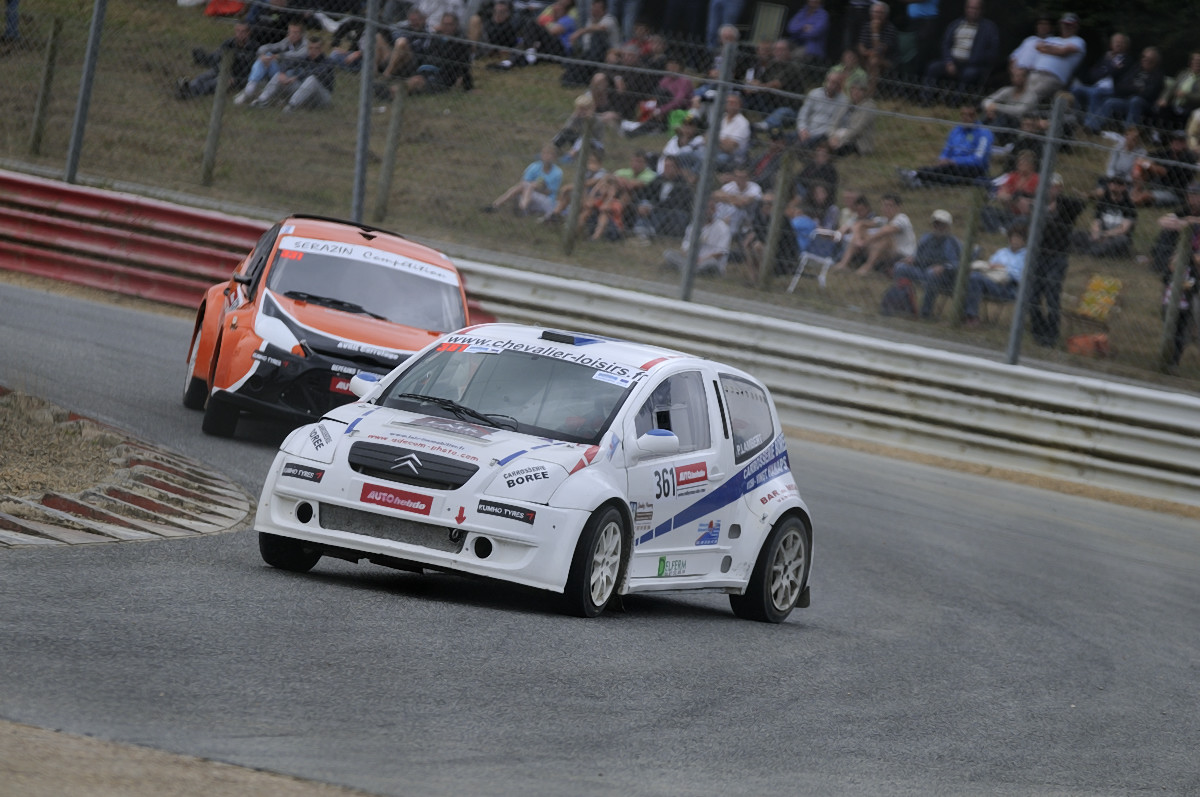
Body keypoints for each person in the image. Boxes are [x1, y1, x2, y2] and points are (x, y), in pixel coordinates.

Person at [1027, 173, 1087, 348]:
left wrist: (1079, 196)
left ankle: (1051, 335)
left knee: (1052, 294)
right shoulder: (1038, 204)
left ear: (1059, 188)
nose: (1049, 189)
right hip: (1038, 255)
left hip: (1057, 256)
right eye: (1047, 186)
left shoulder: (1066, 205)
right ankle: (1038, 332)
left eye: (1053, 186)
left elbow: (1081, 204)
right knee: (1033, 296)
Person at [922, 0, 1000, 107]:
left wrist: (975, 60)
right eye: (970, 8)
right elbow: (945, 44)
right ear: (965, 9)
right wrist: (949, 61)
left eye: (975, 8)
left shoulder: (989, 28)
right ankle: (926, 100)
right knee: (933, 67)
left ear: (981, 10)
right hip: (952, 62)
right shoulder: (956, 24)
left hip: (974, 65)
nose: (972, 11)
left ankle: (955, 104)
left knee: (969, 74)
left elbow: (992, 52)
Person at [890, 209, 963, 318]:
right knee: (900, 267)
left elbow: (957, 264)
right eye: (936, 224)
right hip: (922, 271)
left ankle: (925, 312)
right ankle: (902, 304)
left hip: (944, 278)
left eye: (941, 225)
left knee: (931, 273)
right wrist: (912, 260)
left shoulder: (952, 243)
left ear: (948, 227)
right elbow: (918, 256)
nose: (938, 227)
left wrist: (943, 267)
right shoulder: (926, 238)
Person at [900, 103, 993, 188]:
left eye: (970, 115)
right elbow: (947, 148)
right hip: (950, 165)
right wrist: (943, 158)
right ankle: (919, 181)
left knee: (949, 171)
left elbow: (978, 159)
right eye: (963, 115)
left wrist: (954, 161)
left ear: (977, 116)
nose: (965, 118)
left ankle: (916, 175)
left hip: (972, 168)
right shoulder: (956, 130)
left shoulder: (984, 133)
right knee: (946, 171)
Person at [832, 193, 916, 277]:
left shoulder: (902, 218)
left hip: (902, 255)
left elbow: (886, 231)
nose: (886, 209)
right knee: (861, 232)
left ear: (898, 207)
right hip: (885, 253)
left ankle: (867, 267)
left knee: (885, 238)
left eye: (890, 206)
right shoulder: (883, 220)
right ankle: (843, 264)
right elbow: (859, 224)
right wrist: (858, 240)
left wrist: (866, 241)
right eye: (884, 206)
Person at [1087, 48, 1164, 135]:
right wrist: (1136, 88)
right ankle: (1093, 127)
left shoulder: (1158, 76)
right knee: (1110, 102)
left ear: (1156, 62)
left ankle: (1128, 134)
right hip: (1127, 100)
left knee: (1135, 100)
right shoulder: (1136, 69)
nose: (1145, 60)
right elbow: (1120, 87)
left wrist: (1131, 88)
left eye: (1150, 60)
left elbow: (1148, 94)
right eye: (1143, 57)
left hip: (1144, 105)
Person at [1157, 211, 1200, 367]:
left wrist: (1188, 285)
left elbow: (1196, 279)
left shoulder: (1192, 265)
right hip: (1171, 297)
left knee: (1182, 332)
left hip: (1187, 299)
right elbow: (1167, 274)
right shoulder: (1174, 263)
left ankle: (1174, 361)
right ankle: (1166, 358)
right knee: (1170, 328)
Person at [176, 21, 260, 100]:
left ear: (248, 33)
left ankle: (189, 92)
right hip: (221, 69)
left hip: (234, 76)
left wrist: (236, 81)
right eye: (238, 31)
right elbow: (217, 56)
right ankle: (188, 87)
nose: (240, 34)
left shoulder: (253, 48)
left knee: (213, 83)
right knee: (201, 78)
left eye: (243, 32)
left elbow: (250, 71)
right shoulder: (229, 43)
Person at [250, 34, 336, 111]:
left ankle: (292, 106)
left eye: (316, 48)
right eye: (310, 48)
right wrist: (282, 72)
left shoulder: (328, 61)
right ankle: (262, 100)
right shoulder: (305, 58)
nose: (313, 51)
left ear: (321, 49)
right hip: (304, 94)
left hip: (321, 98)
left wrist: (297, 77)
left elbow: (318, 72)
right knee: (278, 75)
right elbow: (288, 62)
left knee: (312, 79)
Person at [1069, 33, 1132, 131]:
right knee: (1075, 89)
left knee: (1096, 93)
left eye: (1121, 43)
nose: (1118, 45)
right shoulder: (1105, 57)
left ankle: (1090, 125)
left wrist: (1107, 67)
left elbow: (1117, 72)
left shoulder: (1127, 59)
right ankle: (1077, 119)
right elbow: (1093, 74)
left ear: (1126, 45)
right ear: (1111, 44)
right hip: (1096, 86)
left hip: (1112, 90)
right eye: (1116, 42)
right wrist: (1110, 67)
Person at [965, 222, 1028, 323]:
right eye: (1014, 237)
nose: (1015, 241)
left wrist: (1005, 269)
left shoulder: (1026, 256)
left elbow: (1022, 277)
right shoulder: (1001, 252)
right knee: (973, 276)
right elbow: (990, 265)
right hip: (992, 281)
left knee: (975, 279)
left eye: (1019, 238)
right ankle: (969, 315)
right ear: (1009, 238)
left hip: (1008, 288)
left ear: (1024, 241)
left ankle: (971, 316)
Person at [235, 20, 306, 105]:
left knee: (271, 59)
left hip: (294, 77)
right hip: (280, 73)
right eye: (290, 32)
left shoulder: (306, 44)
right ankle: (250, 88)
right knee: (265, 57)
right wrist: (262, 55)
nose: (292, 35)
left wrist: (279, 56)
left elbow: (298, 55)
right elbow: (268, 47)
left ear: (302, 34)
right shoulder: (286, 41)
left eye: (296, 32)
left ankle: (260, 97)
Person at [401, 12, 473, 95]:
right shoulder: (436, 37)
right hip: (425, 71)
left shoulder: (461, 42)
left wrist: (468, 88)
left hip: (442, 77)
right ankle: (392, 93)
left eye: (450, 24)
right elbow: (426, 55)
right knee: (414, 80)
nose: (447, 27)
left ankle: (392, 94)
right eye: (444, 24)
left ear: (456, 25)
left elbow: (464, 65)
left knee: (416, 82)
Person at [483, 143, 564, 217]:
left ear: (554, 157)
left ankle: (519, 207)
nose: (547, 156)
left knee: (529, 186)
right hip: (528, 194)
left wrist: (538, 187)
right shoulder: (534, 166)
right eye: (545, 154)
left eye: (550, 154)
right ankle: (496, 205)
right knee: (524, 186)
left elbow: (550, 192)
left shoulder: (557, 172)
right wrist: (532, 185)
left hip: (546, 200)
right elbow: (523, 183)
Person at [1025, 12, 1086, 105]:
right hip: (1035, 73)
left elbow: (1063, 52)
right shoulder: (1053, 39)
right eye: (1064, 24)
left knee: (1030, 98)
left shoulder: (1078, 41)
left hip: (1053, 78)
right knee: (1024, 97)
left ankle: (1019, 116)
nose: (1066, 27)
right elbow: (1038, 46)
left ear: (1076, 27)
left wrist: (1049, 49)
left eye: (1070, 25)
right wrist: (1057, 50)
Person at [631, 155, 694, 242]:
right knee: (644, 203)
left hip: (670, 214)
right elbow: (644, 193)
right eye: (665, 166)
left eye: (669, 167)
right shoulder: (659, 179)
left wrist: (652, 207)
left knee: (668, 214)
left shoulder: (683, 185)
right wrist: (642, 204)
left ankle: (647, 231)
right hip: (654, 210)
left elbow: (674, 204)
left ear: (677, 169)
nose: (666, 169)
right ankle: (643, 229)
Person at [1072, 175, 1137, 257]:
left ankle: (1088, 251)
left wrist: (1104, 235)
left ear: (1123, 187)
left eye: (1118, 184)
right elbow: (1096, 222)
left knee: (1122, 240)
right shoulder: (1103, 201)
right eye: (1111, 183)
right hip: (1099, 235)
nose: (1114, 185)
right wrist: (1095, 233)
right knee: (1076, 234)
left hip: (1114, 237)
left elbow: (1123, 229)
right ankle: (1092, 250)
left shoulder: (1129, 205)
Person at [1132, 130, 1200, 207]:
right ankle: (1135, 192)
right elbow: (1149, 155)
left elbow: (1165, 171)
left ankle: (1130, 202)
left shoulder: (1189, 157)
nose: (1177, 143)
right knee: (1143, 167)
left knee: (1145, 196)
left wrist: (1147, 164)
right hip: (1160, 186)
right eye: (1175, 140)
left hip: (1176, 193)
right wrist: (1144, 164)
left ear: (1185, 143)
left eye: (1181, 141)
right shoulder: (1168, 152)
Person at [664, 200, 731, 277]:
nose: (707, 211)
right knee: (668, 253)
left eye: (710, 209)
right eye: (704, 208)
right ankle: (690, 271)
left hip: (708, 261)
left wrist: (701, 260)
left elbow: (720, 253)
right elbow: (684, 249)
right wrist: (692, 259)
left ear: (714, 210)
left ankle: (686, 270)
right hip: (691, 261)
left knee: (711, 263)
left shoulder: (723, 228)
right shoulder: (693, 226)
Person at [1147, 181, 1200, 279]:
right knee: (1167, 231)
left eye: (1195, 195)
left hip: (1195, 245)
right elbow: (1162, 221)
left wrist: (1188, 221)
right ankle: (1162, 261)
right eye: (1190, 195)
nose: (1192, 198)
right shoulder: (1186, 209)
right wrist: (1179, 223)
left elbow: (1192, 222)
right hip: (1182, 238)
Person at [562, 0, 619, 86]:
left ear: (604, 10)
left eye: (597, 9)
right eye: (593, 9)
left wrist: (580, 32)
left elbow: (601, 28)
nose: (594, 11)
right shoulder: (590, 20)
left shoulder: (609, 19)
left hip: (606, 54)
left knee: (597, 36)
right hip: (589, 53)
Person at [981, 149, 1037, 233]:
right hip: (1010, 212)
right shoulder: (1013, 176)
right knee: (986, 210)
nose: (1021, 164)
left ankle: (1006, 229)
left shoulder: (1036, 179)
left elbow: (1029, 204)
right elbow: (1000, 194)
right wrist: (1013, 199)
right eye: (1020, 161)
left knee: (1024, 220)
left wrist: (1012, 198)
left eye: (1025, 162)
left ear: (1032, 165)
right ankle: (1001, 230)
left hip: (1023, 216)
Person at [795, 70, 847, 150]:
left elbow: (843, 124)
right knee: (783, 137)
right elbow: (803, 114)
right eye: (829, 81)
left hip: (825, 135)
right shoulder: (814, 93)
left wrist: (835, 136)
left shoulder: (843, 101)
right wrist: (803, 129)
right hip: (808, 131)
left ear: (839, 85)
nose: (830, 85)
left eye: (834, 83)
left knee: (803, 144)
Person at [712, 164, 763, 241]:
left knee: (736, 209)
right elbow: (715, 195)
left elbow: (742, 203)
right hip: (727, 217)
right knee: (720, 205)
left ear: (748, 178)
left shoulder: (755, 187)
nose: (739, 180)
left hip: (747, 219)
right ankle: (719, 226)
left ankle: (727, 234)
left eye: (742, 178)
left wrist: (727, 198)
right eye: (737, 177)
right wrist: (735, 199)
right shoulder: (731, 186)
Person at [1152, 52, 1200, 131]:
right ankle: (1157, 134)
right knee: (1161, 108)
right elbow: (1172, 87)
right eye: (1194, 61)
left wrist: (1186, 95)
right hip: (1174, 104)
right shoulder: (1183, 73)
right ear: (1190, 62)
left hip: (1189, 107)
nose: (1196, 64)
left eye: (1198, 62)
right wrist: (1164, 98)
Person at [829, 77, 876, 156]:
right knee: (820, 142)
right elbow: (834, 122)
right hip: (837, 135)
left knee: (834, 151)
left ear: (865, 92)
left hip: (856, 141)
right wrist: (832, 136)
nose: (855, 92)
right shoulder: (846, 103)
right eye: (853, 89)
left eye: (859, 90)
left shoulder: (869, 106)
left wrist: (840, 139)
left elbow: (858, 129)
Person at [982, 63, 1038, 129]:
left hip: (1022, 123)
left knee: (1004, 118)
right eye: (1014, 76)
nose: (1016, 79)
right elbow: (986, 100)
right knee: (988, 116)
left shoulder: (1031, 95)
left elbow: (1019, 111)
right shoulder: (1007, 90)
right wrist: (990, 108)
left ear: (1025, 78)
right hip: (1004, 120)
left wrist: (996, 107)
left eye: (1019, 76)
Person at [857, 1, 899, 86]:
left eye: (881, 13)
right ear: (871, 13)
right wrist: (865, 52)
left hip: (887, 60)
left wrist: (875, 32)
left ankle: (869, 93)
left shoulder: (890, 29)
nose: (878, 15)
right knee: (850, 57)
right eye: (876, 12)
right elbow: (861, 45)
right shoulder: (866, 26)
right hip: (867, 56)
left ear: (886, 15)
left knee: (874, 61)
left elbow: (879, 51)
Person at [714, 92, 752, 173]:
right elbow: (707, 137)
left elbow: (730, 148)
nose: (730, 104)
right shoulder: (721, 117)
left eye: (733, 102)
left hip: (732, 157)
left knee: (713, 158)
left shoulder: (743, 123)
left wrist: (714, 140)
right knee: (689, 153)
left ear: (739, 105)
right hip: (715, 151)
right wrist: (723, 141)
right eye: (728, 102)